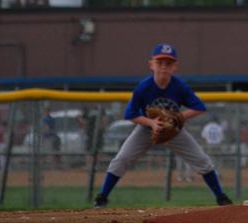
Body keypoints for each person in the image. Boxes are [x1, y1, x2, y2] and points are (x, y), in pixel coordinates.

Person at [93, 43, 232, 208]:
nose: (164, 67)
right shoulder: (144, 87)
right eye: (159, 63)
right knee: (121, 159)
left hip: (173, 130)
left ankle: (221, 197)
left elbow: (199, 107)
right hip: (145, 129)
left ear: (175, 67)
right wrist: (151, 123)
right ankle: (102, 197)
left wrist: (177, 118)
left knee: (202, 160)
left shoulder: (179, 87)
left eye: (168, 63)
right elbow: (130, 114)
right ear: (151, 64)